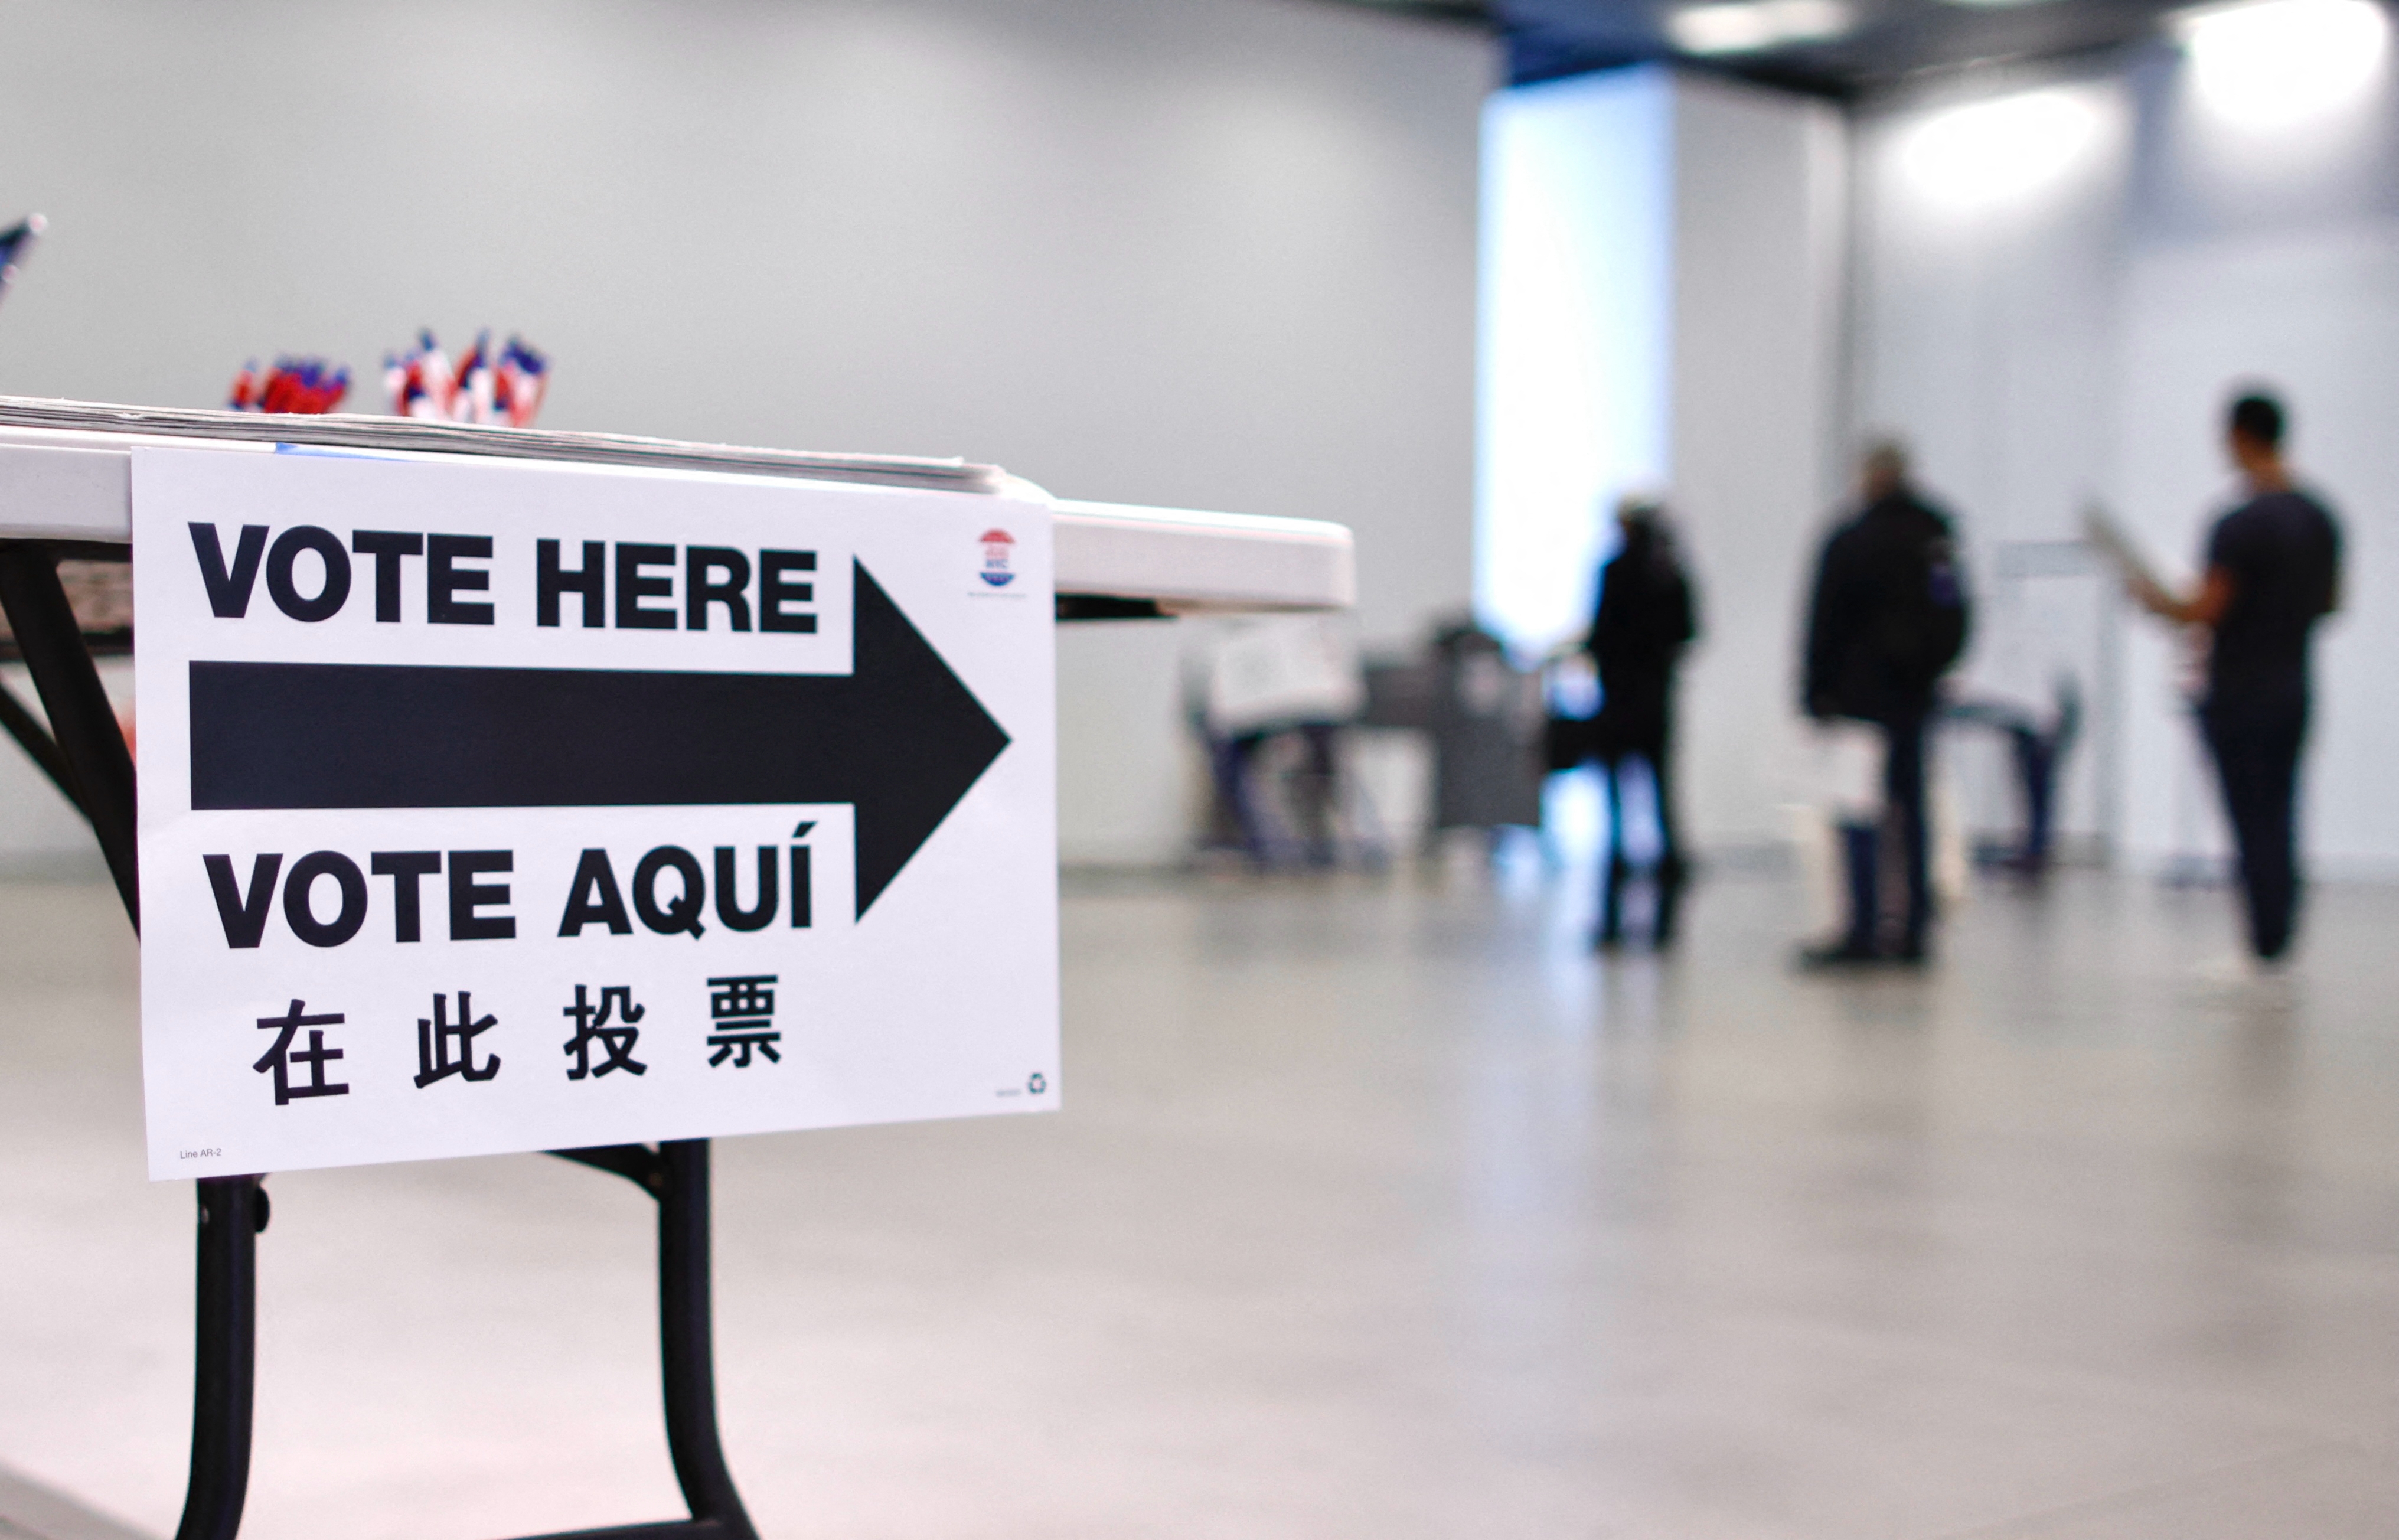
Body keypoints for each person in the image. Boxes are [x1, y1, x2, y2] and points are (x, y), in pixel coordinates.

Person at [2129, 390, 2341, 964]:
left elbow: (2204, 609)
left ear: (2239, 437)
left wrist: (2153, 600)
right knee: (2280, 810)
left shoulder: (2238, 523)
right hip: (2292, 684)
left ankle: (2263, 942)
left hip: (2241, 689)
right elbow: (2332, 601)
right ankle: (2278, 935)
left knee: (2248, 817)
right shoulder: (2320, 517)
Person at [1800, 441, 1971, 965]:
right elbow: (1955, 615)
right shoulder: (1933, 540)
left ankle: (1863, 927)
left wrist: (1815, 691)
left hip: (1858, 699)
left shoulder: (1851, 540)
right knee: (1910, 809)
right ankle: (1914, 927)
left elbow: (1823, 621)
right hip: (1912, 696)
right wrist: (1933, 668)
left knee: (1858, 813)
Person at [1584, 495, 1698, 948]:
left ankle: (1620, 869)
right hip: (1656, 699)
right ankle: (1667, 865)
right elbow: (1688, 633)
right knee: (1661, 792)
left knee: (1618, 799)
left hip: (1619, 700)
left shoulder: (1616, 571)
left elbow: (1601, 633)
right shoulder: (1670, 572)